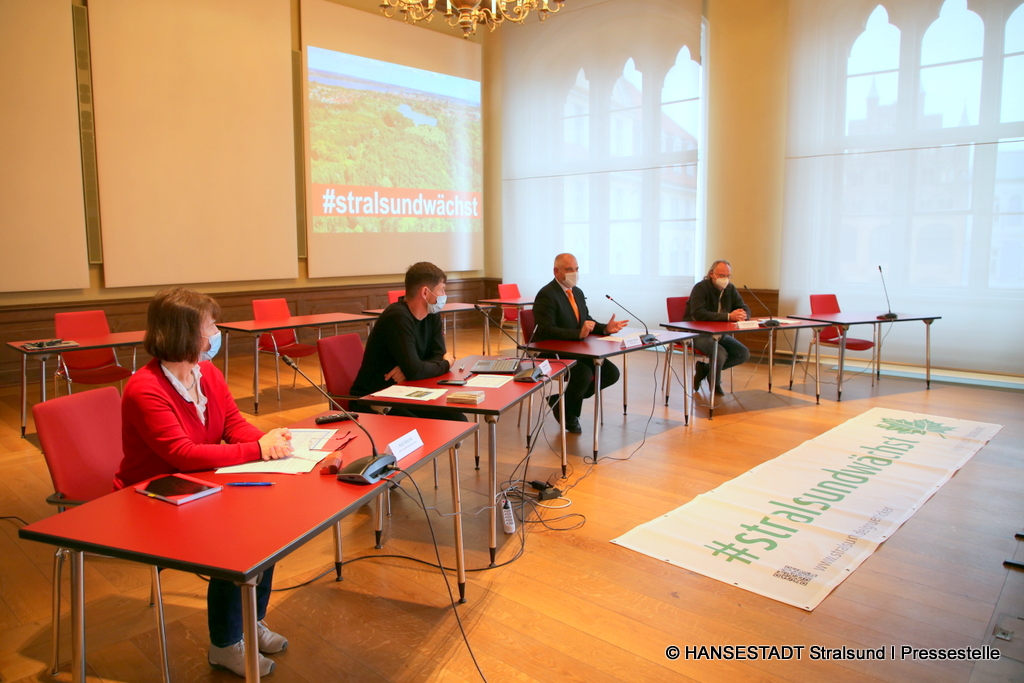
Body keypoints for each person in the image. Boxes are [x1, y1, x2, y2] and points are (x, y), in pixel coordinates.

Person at [114, 287, 294, 678]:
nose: (216, 333)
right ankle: (225, 645)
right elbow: (182, 453)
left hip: (200, 484)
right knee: (235, 538)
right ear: (183, 333)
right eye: (209, 326)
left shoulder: (206, 372)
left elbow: (231, 423)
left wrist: (270, 442)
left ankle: (251, 621)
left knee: (270, 523)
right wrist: (257, 450)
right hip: (151, 495)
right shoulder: (144, 388)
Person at [351, 261, 466, 421]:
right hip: (374, 397)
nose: (443, 295)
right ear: (425, 292)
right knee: (420, 426)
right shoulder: (397, 317)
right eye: (441, 289)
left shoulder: (432, 315)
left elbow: (436, 355)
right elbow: (424, 366)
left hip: (406, 389)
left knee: (457, 419)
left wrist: (412, 369)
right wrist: (446, 364)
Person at [532, 253, 628, 434]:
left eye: (576, 269)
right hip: (553, 351)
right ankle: (570, 415)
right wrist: (578, 333)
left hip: (578, 349)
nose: (574, 273)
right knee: (583, 374)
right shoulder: (546, 294)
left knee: (610, 373)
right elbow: (545, 331)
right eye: (569, 269)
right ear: (556, 271)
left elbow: (586, 321)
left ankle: (562, 402)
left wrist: (605, 328)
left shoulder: (577, 292)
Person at [684, 259, 751, 395]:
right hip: (697, 332)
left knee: (743, 353)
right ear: (711, 274)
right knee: (719, 353)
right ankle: (715, 383)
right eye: (722, 275)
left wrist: (743, 315)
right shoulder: (700, 287)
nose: (725, 279)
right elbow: (698, 313)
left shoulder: (730, 288)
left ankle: (705, 369)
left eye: (728, 276)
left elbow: (743, 307)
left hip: (718, 333)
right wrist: (728, 317)